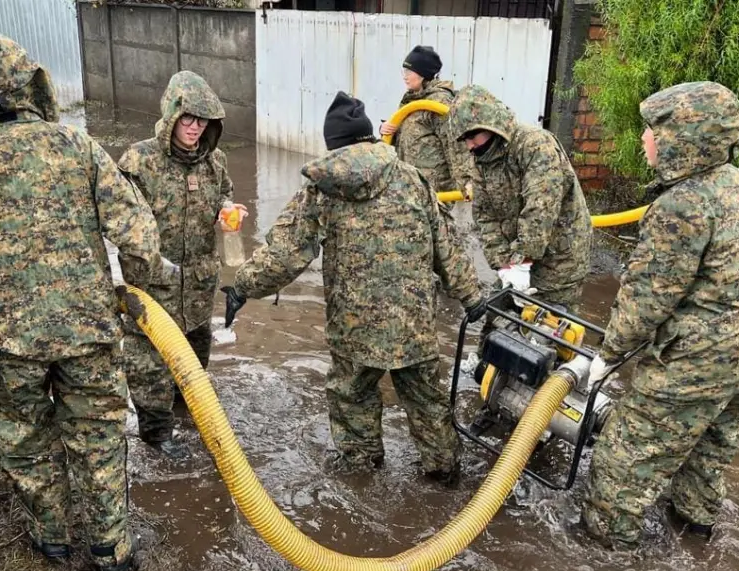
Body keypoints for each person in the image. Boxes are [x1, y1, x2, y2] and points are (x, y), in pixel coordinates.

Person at [0, 29, 160, 571]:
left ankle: (51, 538)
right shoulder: (79, 145)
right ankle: (110, 549)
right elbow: (139, 232)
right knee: (97, 436)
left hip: (7, 342)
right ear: (31, 87)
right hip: (90, 332)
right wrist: (139, 294)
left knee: (25, 436)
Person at [220, 92, 487, 486]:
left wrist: (241, 288)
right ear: (368, 137)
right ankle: (445, 479)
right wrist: (474, 297)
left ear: (334, 145)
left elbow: (286, 255)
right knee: (428, 404)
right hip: (413, 326)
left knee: (352, 397)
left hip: (354, 328)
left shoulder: (322, 189)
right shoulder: (413, 179)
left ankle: (362, 480)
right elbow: (446, 248)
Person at [580, 81, 739, 549]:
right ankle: (695, 530)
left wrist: (607, 354)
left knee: (623, 458)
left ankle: (605, 545)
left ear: (683, 139)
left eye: (653, 130)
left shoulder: (682, 205)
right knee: (709, 450)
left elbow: (649, 298)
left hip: (701, 358)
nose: (644, 139)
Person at [117, 70, 246, 457]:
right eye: (187, 119)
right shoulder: (138, 160)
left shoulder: (215, 160)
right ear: (172, 115)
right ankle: (155, 435)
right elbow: (118, 222)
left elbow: (225, 194)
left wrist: (227, 210)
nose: (194, 128)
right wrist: (151, 263)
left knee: (194, 355)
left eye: (202, 120)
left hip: (198, 285)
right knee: (148, 361)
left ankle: (184, 412)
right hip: (153, 288)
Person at [447, 85, 592, 345]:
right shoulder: (481, 160)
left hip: (559, 257)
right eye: (464, 139)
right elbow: (485, 216)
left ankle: (556, 378)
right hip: (516, 258)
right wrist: (504, 265)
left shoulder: (534, 145)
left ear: (491, 124)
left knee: (551, 333)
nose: (470, 145)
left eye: (473, 136)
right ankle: (489, 372)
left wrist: (522, 262)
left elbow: (540, 208)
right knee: (498, 326)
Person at [379, 46, 471, 195]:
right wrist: (387, 130)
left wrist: (465, 183)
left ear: (423, 74)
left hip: (433, 192)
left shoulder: (440, 102)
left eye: (409, 72)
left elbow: (455, 144)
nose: (405, 76)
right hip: (410, 188)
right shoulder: (411, 99)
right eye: (404, 71)